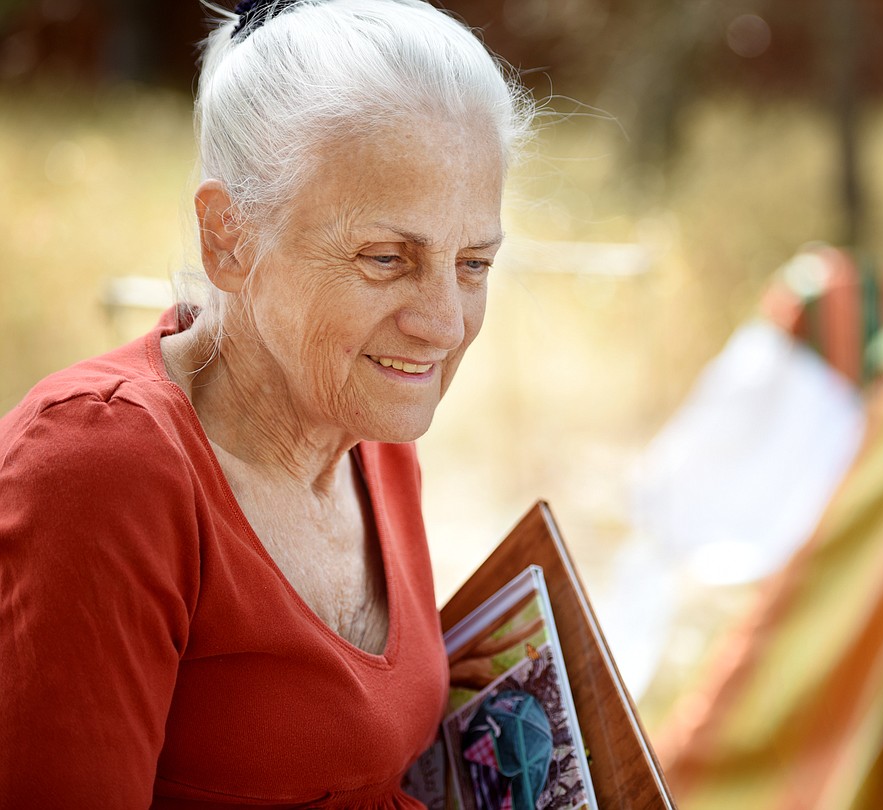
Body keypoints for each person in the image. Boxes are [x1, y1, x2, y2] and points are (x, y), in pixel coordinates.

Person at [0, 0, 532, 806]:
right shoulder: (99, 469)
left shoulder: (371, 428)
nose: (443, 326)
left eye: (474, 264)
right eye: (387, 258)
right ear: (230, 237)